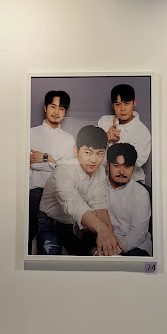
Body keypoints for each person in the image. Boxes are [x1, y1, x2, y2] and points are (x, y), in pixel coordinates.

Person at [38, 125, 126, 256]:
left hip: (74, 223)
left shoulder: (100, 172)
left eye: (100, 153)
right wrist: (101, 229)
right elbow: (74, 203)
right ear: (76, 150)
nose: (94, 160)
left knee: (97, 255)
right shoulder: (63, 170)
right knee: (50, 261)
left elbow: (99, 203)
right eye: (88, 152)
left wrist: (109, 233)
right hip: (50, 222)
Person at [29, 90, 75, 254]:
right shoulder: (31, 133)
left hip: (58, 194)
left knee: (52, 243)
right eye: (53, 106)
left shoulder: (69, 139)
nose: (56, 112)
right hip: (35, 193)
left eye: (61, 108)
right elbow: (33, 164)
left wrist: (45, 157)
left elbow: (67, 170)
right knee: (25, 239)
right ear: (45, 107)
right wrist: (56, 162)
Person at [98, 84, 151, 183]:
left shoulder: (143, 132)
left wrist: (116, 142)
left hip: (132, 182)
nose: (122, 109)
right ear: (113, 105)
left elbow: (136, 162)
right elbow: (91, 151)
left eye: (126, 103)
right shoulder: (104, 121)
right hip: (105, 181)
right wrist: (105, 138)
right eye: (118, 104)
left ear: (134, 102)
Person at [106, 143, 152, 256]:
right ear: (108, 166)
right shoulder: (96, 187)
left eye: (127, 166)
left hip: (135, 246)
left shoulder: (140, 193)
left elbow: (137, 234)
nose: (122, 171)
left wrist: (112, 251)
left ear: (133, 168)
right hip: (104, 244)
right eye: (116, 165)